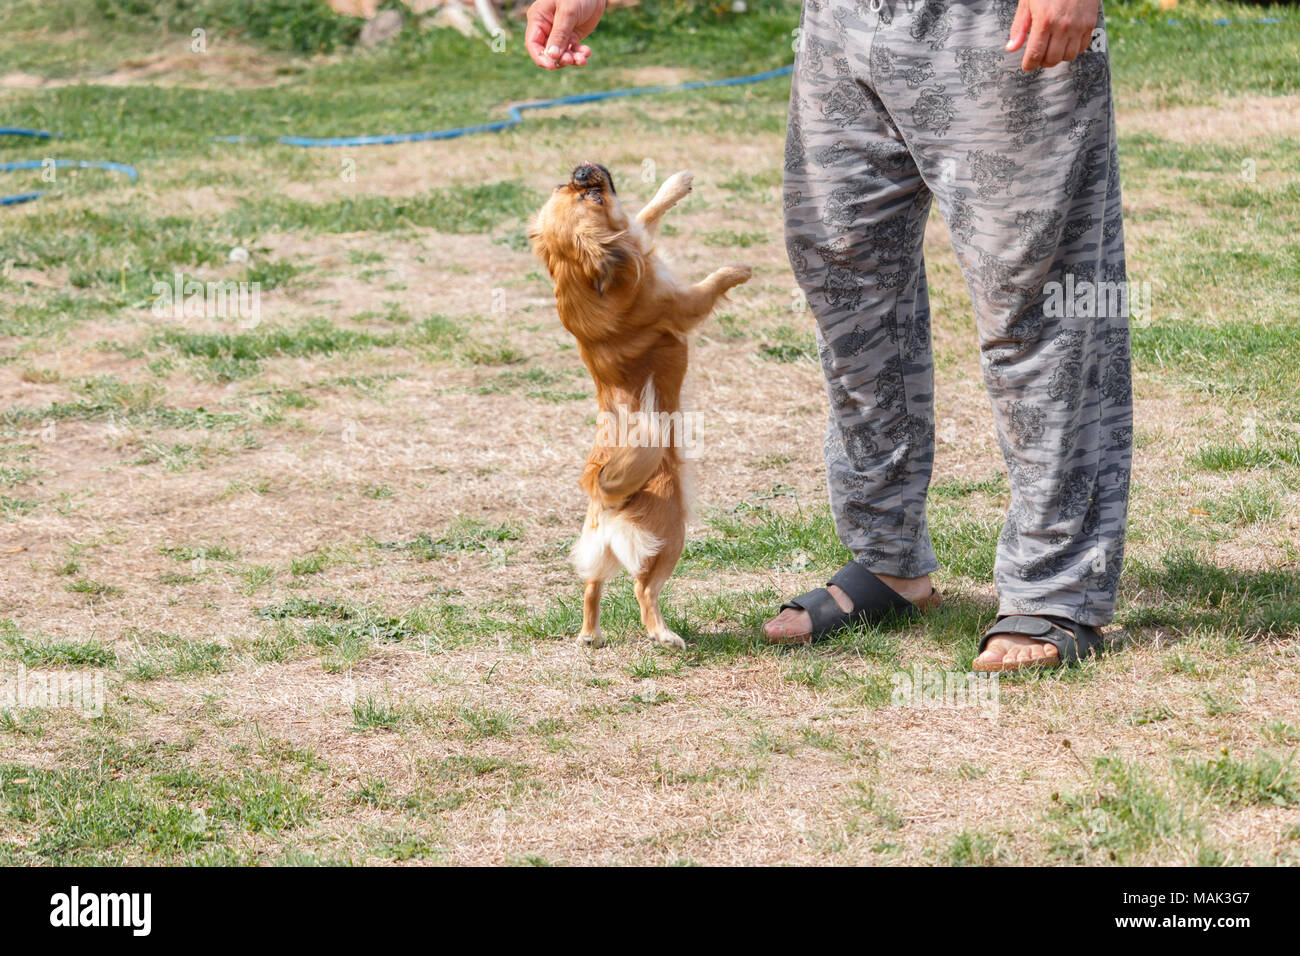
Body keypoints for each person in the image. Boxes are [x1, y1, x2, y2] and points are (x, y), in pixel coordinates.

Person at [525, 0, 1131, 673]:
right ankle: (888, 560)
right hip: (842, 21)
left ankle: (1056, 586)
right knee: (844, 274)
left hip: (989, 21)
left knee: (1036, 287)